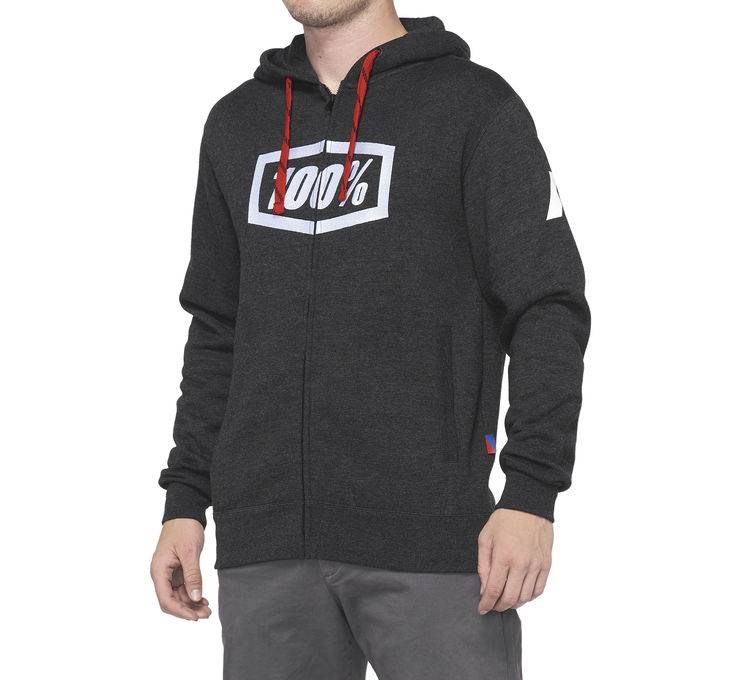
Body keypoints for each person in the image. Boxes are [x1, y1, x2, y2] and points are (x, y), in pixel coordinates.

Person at [150, 2, 590, 678]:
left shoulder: (473, 106)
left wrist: (531, 492)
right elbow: (217, 328)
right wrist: (185, 502)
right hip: (267, 544)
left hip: (436, 540)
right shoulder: (238, 124)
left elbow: (547, 306)